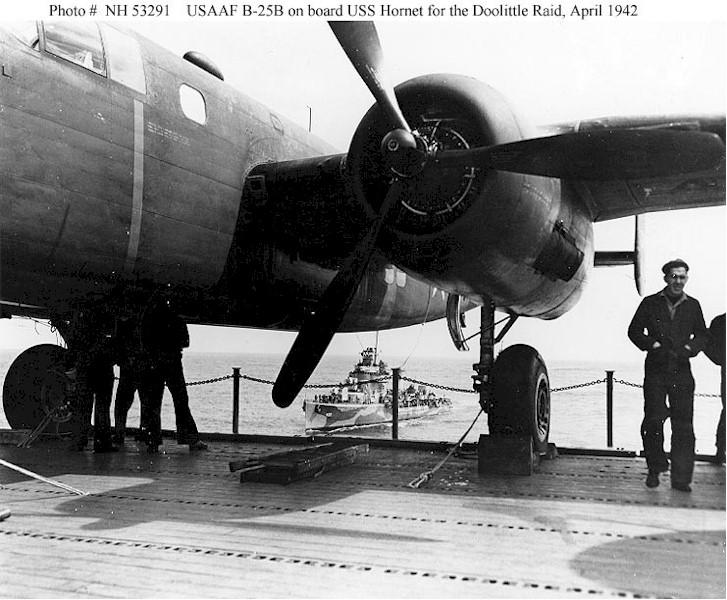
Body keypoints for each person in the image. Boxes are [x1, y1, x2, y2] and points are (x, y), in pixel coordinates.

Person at [628, 259, 708, 492]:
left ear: (686, 279)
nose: (678, 282)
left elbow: (702, 336)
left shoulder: (693, 305)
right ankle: (655, 468)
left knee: (683, 425)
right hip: (656, 369)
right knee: (653, 420)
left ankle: (681, 478)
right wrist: (651, 344)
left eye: (682, 277)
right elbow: (634, 331)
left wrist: (689, 350)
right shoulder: (650, 303)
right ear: (666, 278)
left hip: (682, 370)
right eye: (674, 277)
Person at [65, 305, 118, 453]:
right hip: (103, 368)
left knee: (82, 407)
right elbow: (113, 342)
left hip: (85, 367)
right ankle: (102, 443)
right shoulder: (108, 316)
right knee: (102, 408)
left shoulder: (79, 317)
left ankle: (78, 442)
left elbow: (73, 341)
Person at [704, 313, 725, 464]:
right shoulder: (721, 322)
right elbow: (706, 342)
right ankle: (720, 450)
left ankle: (720, 450)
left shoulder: (721, 321)